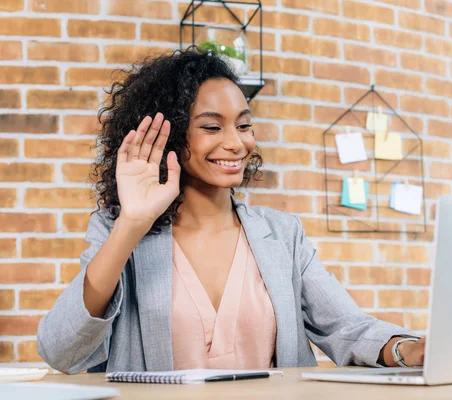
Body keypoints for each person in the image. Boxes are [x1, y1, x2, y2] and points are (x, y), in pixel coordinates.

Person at [37, 48, 426, 374]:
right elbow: (60, 351)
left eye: (244, 125)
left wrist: (408, 350)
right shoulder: (117, 232)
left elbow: (347, 327)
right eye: (212, 127)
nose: (236, 143)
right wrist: (133, 224)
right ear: (170, 134)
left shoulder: (283, 235)